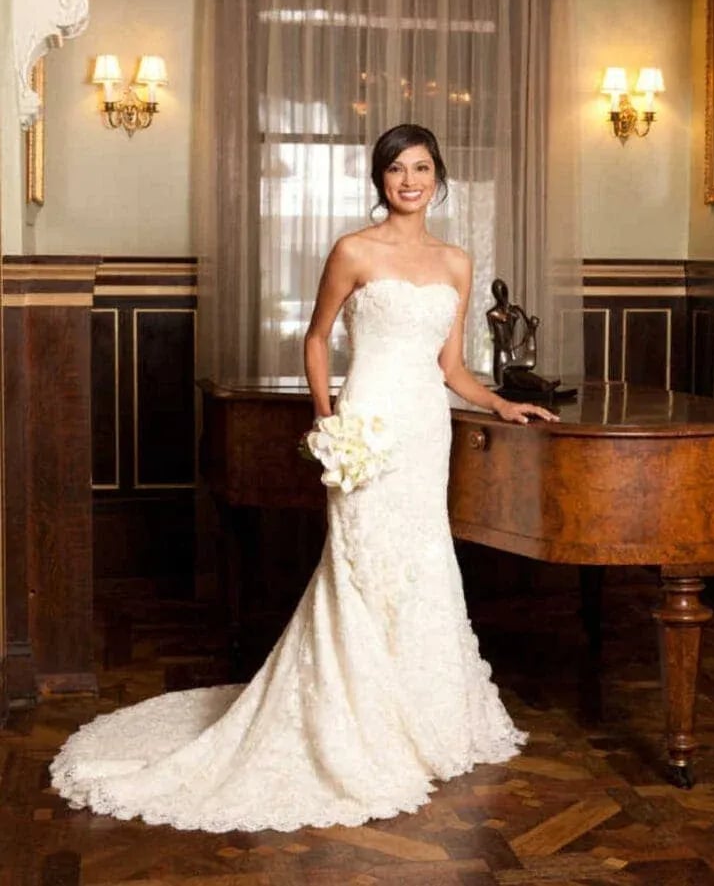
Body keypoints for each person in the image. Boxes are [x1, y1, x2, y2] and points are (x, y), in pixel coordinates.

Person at [49, 124, 558, 834]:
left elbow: (450, 367)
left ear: (438, 176)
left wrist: (501, 403)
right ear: (379, 180)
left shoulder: (456, 261)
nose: (409, 181)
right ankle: (352, 725)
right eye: (395, 169)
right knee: (358, 566)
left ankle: (422, 716)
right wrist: (328, 420)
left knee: (422, 563)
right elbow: (317, 339)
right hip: (367, 427)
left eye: (420, 168)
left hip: (424, 431)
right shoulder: (353, 250)